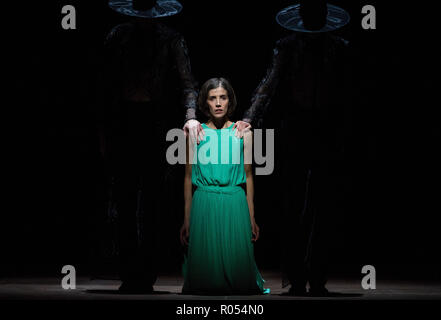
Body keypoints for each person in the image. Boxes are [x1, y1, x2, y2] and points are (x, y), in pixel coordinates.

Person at [240, 0, 352, 296]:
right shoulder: (287, 46)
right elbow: (270, 83)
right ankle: (298, 277)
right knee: (293, 204)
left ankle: (316, 278)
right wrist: (250, 117)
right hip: (296, 128)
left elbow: (347, 92)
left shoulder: (339, 47)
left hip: (327, 128)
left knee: (323, 205)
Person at [99, 0, 202, 293]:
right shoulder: (118, 36)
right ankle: (129, 272)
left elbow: (187, 83)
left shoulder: (171, 39)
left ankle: (146, 272)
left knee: (153, 201)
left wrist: (191, 116)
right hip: (124, 120)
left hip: (156, 121)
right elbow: (104, 86)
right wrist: (104, 132)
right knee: (124, 199)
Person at [180, 78, 269, 295]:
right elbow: (188, 177)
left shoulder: (243, 132)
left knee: (239, 279)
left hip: (234, 203)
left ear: (230, 101)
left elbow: (248, 175)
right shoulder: (196, 133)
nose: (218, 103)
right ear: (205, 103)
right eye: (212, 98)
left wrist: (252, 216)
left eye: (223, 97)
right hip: (204, 202)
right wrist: (187, 218)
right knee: (204, 280)